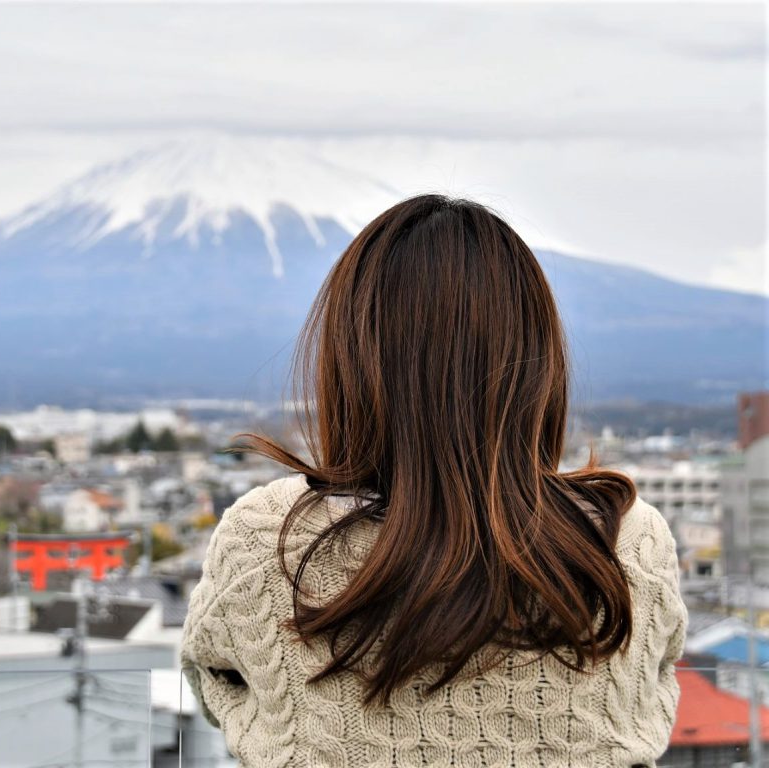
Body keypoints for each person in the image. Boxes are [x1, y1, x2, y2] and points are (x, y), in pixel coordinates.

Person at [180, 194, 687, 767]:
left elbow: (214, 679)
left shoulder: (268, 535)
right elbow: (652, 691)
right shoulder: (625, 537)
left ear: (349, 356)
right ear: (539, 359)